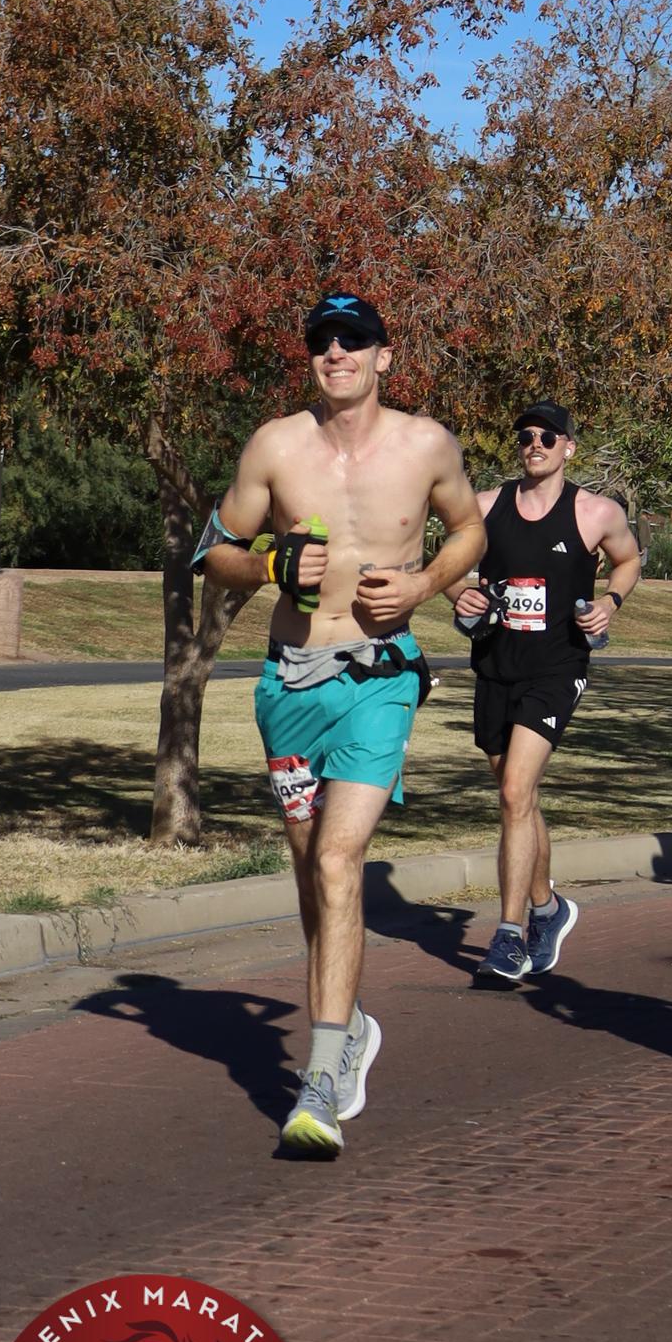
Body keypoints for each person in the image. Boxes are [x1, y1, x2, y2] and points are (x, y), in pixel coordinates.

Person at [200, 291, 485, 1158]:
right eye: (323, 341)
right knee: (310, 873)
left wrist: (424, 584)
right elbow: (212, 554)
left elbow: (470, 530)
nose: (337, 354)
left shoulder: (426, 444)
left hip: (381, 678)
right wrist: (270, 564)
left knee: (336, 858)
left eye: (353, 340)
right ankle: (349, 1022)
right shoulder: (276, 446)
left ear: (383, 356)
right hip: (290, 684)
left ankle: (318, 1080)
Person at [450, 402, 642, 987]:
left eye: (548, 437)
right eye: (526, 436)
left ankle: (508, 937)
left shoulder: (596, 512)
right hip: (495, 665)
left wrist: (610, 602)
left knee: (514, 791)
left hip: (557, 669)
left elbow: (629, 560)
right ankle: (547, 908)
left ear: (568, 448)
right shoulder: (485, 506)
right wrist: (459, 592)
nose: (535, 444)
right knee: (519, 799)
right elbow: (445, 567)